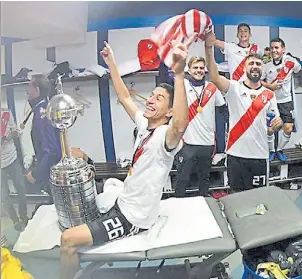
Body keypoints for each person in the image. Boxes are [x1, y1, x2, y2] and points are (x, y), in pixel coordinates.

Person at [59, 37, 193, 279]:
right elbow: (124, 98)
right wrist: (111, 63)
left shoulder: (166, 137)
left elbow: (180, 125)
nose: (151, 100)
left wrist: (180, 74)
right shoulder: (144, 124)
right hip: (123, 202)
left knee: (68, 240)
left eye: (159, 98)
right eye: (151, 95)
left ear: (170, 111)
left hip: (133, 218)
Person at [205, 31, 283, 192]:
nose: (255, 66)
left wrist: (278, 125)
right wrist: (208, 47)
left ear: (262, 68)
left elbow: (273, 125)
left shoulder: (269, 95)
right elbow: (214, 76)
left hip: (259, 156)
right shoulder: (233, 88)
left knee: (258, 201)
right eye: (251, 63)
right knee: (236, 199)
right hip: (235, 155)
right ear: (245, 68)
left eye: (258, 64)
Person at [175, 56, 226, 197]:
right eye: (195, 68)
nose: (199, 70)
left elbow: (223, 110)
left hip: (207, 143)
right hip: (187, 144)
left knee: (205, 179)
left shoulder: (212, 88)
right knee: (182, 179)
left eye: (201, 68)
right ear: (189, 70)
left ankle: (204, 204)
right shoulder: (182, 85)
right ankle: (177, 206)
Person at [261, 38, 302, 161]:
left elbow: (298, 69)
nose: (274, 50)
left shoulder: (289, 62)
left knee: (288, 128)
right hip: (271, 102)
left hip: (286, 101)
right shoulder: (266, 65)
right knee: (270, 129)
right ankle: (271, 151)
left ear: (283, 49)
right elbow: (260, 81)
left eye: (277, 48)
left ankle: (279, 149)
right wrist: (270, 86)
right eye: (272, 48)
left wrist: (291, 60)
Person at [25, 74, 62, 202]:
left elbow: (52, 151)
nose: (27, 91)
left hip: (51, 174)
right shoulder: (45, 107)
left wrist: (36, 173)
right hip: (51, 171)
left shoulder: (42, 114)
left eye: (29, 86)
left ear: (37, 90)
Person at [0, 107, 28, 231]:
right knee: (4, 195)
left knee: (21, 188)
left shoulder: (6, 113)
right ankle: (15, 220)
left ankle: (24, 216)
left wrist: (12, 134)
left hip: (12, 158)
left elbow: (15, 131)